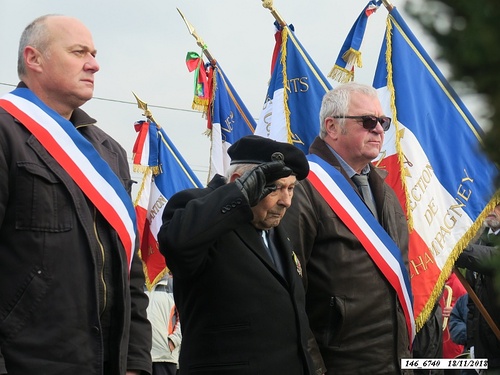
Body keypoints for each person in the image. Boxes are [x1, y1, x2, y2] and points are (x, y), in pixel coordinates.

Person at [0, 15, 151, 374]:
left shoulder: (108, 151)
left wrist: (134, 363)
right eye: (78, 51)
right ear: (34, 58)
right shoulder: (5, 132)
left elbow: (130, 270)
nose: (94, 64)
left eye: (94, 53)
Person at [158, 135, 325, 375]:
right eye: (276, 188)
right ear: (239, 181)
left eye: (291, 188)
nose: (287, 201)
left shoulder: (279, 231)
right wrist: (237, 197)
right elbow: (177, 243)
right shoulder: (198, 207)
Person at [281, 82, 412, 374]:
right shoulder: (302, 188)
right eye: (367, 121)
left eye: (383, 122)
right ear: (332, 127)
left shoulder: (386, 192)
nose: (379, 130)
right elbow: (287, 296)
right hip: (339, 364)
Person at [455, 203, 500, 373]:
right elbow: (473, 305)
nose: (491, 209)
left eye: (498, 205)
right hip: (483, 356)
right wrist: (474, 346)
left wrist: (453, 249)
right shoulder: (480, 239)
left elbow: (490, 258)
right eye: (489, 202)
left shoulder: (474, 249)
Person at [145, 274, 181, 375]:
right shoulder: (136, 284)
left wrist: (174, 340)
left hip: (164, 356)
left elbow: (184, 316)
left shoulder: (173, 285)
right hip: (140, 356)